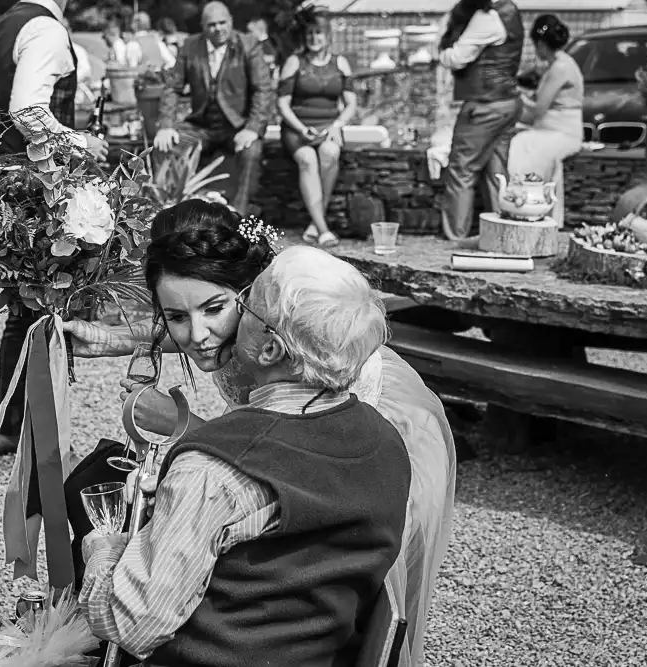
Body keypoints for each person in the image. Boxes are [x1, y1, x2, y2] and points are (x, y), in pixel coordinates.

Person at [64, 199, 456, 666]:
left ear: (263, 331)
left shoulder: (370, 424)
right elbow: (276, 441)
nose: (201, 336)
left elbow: (296, 458)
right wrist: (123, 339)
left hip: (349, 443)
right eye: (175, 317)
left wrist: (107, 546)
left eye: (234, 306)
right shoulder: (283, 345)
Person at [0, 0, 108, 455]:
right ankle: (39, 432)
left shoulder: (3, 26)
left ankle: (12, 423)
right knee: (52, 306)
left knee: (23, 310)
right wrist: (81, 140)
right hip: (37, 189)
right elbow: (28, 111)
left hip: (6, 180)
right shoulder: (47, 30)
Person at [153, 1, 274, 215]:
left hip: (238, 126)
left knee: (251, 151)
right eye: (212, 25)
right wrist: (166, 125)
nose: (218, 29)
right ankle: (172, 213)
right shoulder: (190, 46)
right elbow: (173, 87)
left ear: (231, 21)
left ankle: (239, 217)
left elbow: (262, 89)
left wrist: (252, 128)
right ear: (203, 26)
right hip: (202, 126)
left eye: (222, 23)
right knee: (166, 146)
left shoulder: (249, 45)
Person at [438, 0, 524, 240]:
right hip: (508, 102)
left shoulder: (487, 17)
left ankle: (456, 236)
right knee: (496, 172)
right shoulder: (510, 10)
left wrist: (444, 43)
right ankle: (504, 233)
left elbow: (455, 58)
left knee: (461, 170)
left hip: (485, 105)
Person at [277, 9, 357, 248]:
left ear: (327, 36)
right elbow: (282, 104)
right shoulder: (294, 62)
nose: (314, 38)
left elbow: (351, 103)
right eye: (310, 33)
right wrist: (301, 129)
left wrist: (338, 125)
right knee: (308, 159)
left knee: (330, 153)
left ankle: (315, 221)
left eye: (319, 33)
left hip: (330, 126)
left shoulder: (340, 62)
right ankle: (323, 229)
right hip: (297, 129)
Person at [507, 14, 583, 227]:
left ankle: (527, 207)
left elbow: (539, 109)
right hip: (550, 129)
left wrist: (516, 97)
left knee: (521, 147)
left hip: (560, 133)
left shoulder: (560, 68)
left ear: (540, 44)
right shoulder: (558, 64)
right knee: (522, 143)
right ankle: (524, 207)